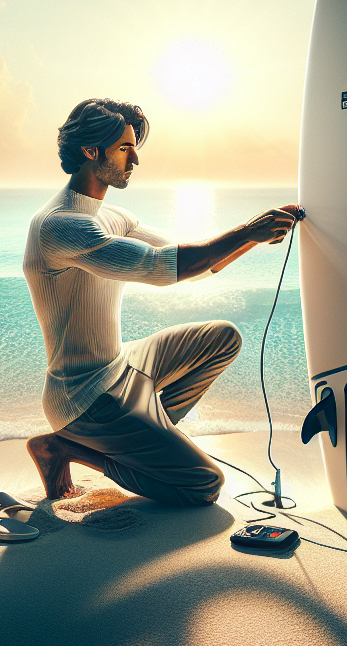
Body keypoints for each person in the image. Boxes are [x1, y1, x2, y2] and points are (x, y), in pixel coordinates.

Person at [23, 98, 300, 507]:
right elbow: (159, 266)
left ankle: (150, 437)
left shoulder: (113, 216)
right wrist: (246, 231)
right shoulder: (60, 227)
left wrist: (256, 236)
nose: (135, 158)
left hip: (123, 364)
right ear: (90, 151)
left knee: (222, 338)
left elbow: (194, 263)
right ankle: (67, 448)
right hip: (85, 398)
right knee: (203, 486)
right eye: (124, 148)